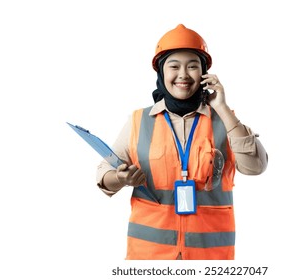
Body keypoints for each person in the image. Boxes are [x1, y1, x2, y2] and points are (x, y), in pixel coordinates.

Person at [96, 24, 268, 260]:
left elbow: (255, 167)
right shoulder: (139, 121)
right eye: (174, 66)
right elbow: (105, 171)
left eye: (193, 66)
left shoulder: (226, 121)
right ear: (161, 73)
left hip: (210, 259)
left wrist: (222, 108)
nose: (183, 75)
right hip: (149, 258)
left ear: (205, 73)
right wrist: (120, 178)